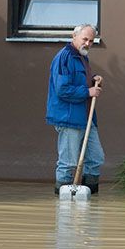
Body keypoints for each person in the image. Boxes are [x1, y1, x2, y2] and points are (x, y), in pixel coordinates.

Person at [46, 24, 105, 195]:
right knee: (68, 162)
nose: (87, 43)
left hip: (86, 118)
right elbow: (62, 89)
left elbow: (78, 81)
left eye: (91, 41)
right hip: (69, 117)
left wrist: (93, 79)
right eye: (85, 39)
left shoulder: (82, 57)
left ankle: (91, 198)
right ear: (74, 36)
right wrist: (88, 91)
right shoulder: (64, 58)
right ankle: (62, 200)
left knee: (95, 158)